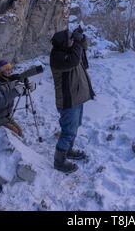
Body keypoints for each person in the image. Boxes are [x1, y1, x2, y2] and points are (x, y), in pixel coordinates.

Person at [50, 26, 95, 174]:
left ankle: (68, 151)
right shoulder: (57, 58)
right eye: (69, 38)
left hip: (76, 98)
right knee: (68, 131)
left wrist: (80, 39)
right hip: (68, 101)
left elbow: (82, 52)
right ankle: (59, 161)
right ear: (64, 43)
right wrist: (76, 42)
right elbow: (75, 60)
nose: (72, 40)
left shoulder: (67, 52)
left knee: (74, 127)